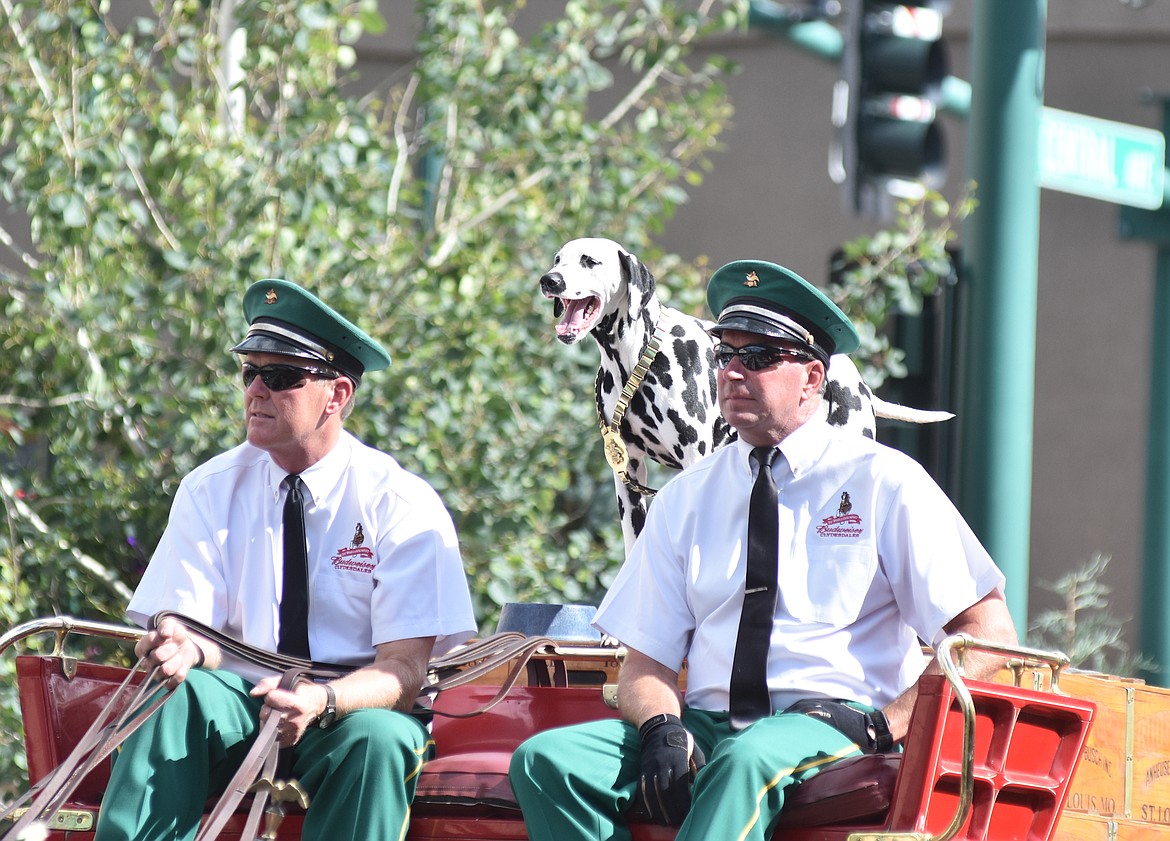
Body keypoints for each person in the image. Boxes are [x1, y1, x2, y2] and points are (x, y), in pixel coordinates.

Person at [509, 259, 1018, 841]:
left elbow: (988, 633)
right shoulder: (686, 497)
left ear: (813, 378)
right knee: (548, 761)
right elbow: (644, 663)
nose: (731, 373)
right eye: (724, 355)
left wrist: (890, 722)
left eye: (758, 358)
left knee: (743, 762)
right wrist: (660, 728)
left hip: (830, 719)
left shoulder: (884, 481)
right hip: (708, 722)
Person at [94, 279, 477, 841]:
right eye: (249, 372)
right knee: (175, 695)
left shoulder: (402, 504)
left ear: (337, 394)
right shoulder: (208, 488)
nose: (255, 392)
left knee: (381, 738)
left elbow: (405, 671)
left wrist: (321, 701)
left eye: (280, 378)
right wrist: (176, 645)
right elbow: (189, 627)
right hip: (240, 705)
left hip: (346, 712)